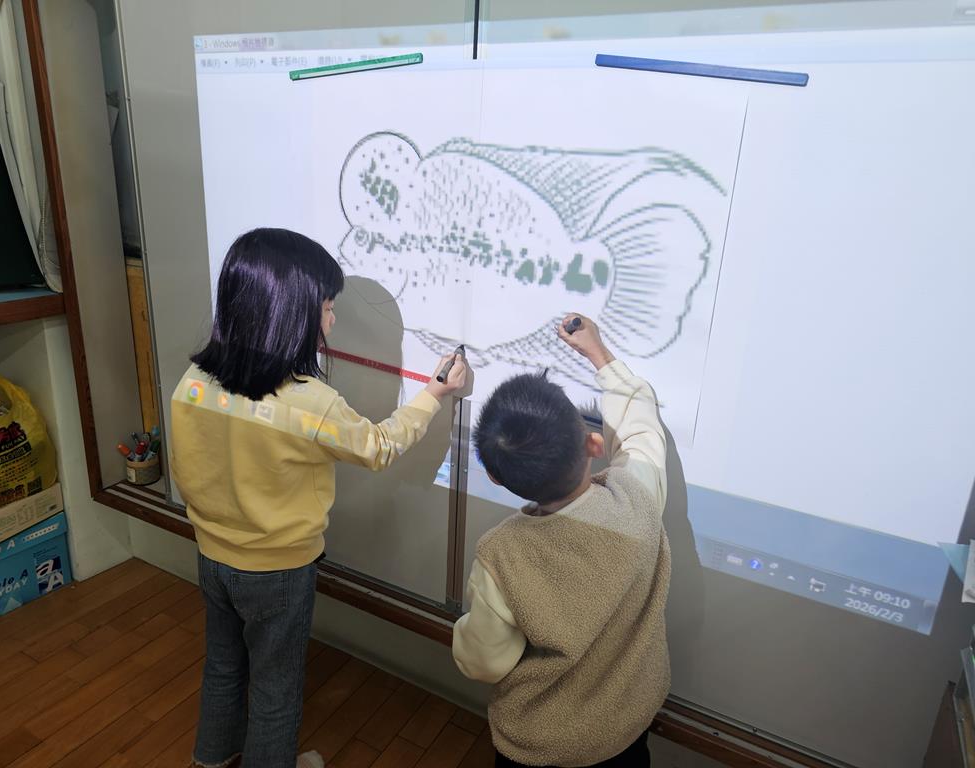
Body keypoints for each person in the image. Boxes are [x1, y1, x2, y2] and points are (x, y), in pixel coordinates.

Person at [169, 228, 468, 768]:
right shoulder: (311, 402)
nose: (331, 322)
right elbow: (379, 447)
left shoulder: (193, 380)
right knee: (275, 687)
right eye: (327, 308)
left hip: (212, 556)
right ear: (288, 314)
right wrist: (434, 393)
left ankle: (211, 760)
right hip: (278, 571)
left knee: (223, 665)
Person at [452, 314, 669, 768]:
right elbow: (640, 429)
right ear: (594, 445)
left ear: (495, 477)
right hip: (625, 729)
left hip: (542, 743)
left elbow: (483, 662)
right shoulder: (638, 499)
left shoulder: (502, 555)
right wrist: (599, 356)